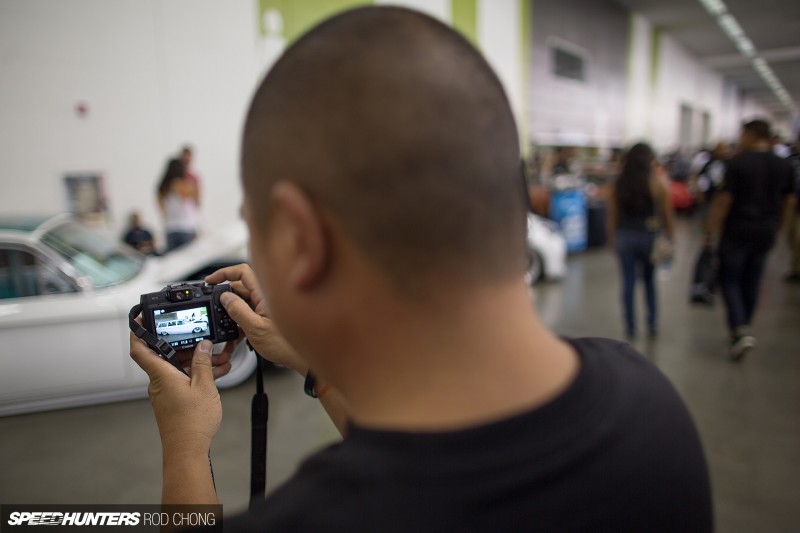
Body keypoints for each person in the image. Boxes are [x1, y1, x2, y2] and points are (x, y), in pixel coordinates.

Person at [130, 7, 712, 531]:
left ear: (300, 240)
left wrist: (185, 448)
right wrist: (313, 366)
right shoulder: (652, 405)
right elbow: (425, 475)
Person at [704, 120, 796, 361]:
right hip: (766, 229)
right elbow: (789, 201)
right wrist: (780, 228)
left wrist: (710, 230)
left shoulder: (737, 164)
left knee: (729, 279)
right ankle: (744, 324)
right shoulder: (783, 165)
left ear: (751, 134)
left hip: (737, 229)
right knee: (753, 278)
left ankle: (739, 327)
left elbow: (724, 200)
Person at [606, 143, 675, 340]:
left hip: (624, 236)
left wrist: (611, 239)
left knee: (628, 281)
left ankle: (630, 326)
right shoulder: (657, 184)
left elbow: (612, 216)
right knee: (649, 281)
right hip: (649, 237)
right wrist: (670, 236)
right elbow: (666, 215)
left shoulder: (618, 184)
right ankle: (652, 322)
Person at [157, 158, 199, 251]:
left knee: (174, 258)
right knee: (189, 258)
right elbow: (195, 202)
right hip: (186, 227)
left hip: (171, 227)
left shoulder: (163, 187)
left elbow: (162, 209)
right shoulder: (183, 184)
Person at [785, 137, 800, 283]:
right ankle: (795, 268)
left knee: (798, 239)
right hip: (792, 207)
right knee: (791, 239)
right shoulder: (791, 160)